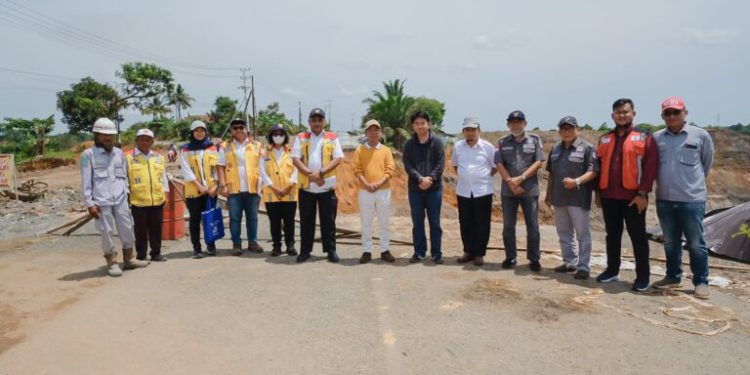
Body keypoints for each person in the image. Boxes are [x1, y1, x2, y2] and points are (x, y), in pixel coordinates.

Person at [651, 97, 714, 299]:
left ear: (685, 113)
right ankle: (672, 276)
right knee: (670, 242)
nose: (671, 116)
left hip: (691, 200)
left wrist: (690, 185)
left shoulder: (700, 135)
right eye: (667, 113)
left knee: (696, 242)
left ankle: (701, 281)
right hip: (664, 199)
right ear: (662, 116)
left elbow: (706, 163)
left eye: (675, 112)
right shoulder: (657, 138)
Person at [594, 98, 658, 291]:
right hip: (609, 197)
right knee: (612, 236)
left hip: (633, 198)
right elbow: (598, 166)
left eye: (625, 112)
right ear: (612, 115)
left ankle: (643, 277)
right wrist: (598, 192)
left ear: (633, 114)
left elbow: (651, 167)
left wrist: (642, 193)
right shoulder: (605, 138)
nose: (622, 115)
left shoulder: (644, 137)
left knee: (637, 237)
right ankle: (612, 270)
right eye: (618, 112)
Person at [81, 118, 148, 277]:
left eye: (110, 135)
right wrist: (89, 203)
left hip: (120, 199)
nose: (108, 138)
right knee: (106, 232)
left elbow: (124, 176)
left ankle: (129, 259)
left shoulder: (119, 153)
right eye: (104, 135)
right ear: (97, 135)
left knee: (127, 228)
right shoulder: (88, 155)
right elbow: (86, 182)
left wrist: (126, 192)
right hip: (101, 201)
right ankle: (112, 262)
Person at [544, 116, 599, 280]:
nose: (567, 132)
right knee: (564, 232)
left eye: (570, 128)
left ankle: (583, 266)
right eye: (563, 129)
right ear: (559, 131)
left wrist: (576, 181)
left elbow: (593, 172)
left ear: (578, 130)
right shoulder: (555, 149)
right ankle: (570, 262)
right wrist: (548, 195)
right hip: (559, 198)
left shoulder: (588, 148)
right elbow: (552, 175)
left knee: (582, 234)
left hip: (578, 199)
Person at [291, 108, 344, 263]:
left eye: (320, 120)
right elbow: (295, 159)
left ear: (324, 122)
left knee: (329, 220)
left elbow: (338, 158)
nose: (317, 123)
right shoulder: (301, 137)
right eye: (313, 120)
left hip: (326, 187)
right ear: (309, 122)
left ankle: (331, 250)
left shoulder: (332, 137)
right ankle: (305, 251)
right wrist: (311, 175)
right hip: (307, 187)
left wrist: (320, 173)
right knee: (306, 221)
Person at [495, 110, 545, 271]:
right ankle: (510, 257)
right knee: (508, 226)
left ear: (525, 123)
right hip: (508, 191)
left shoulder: (535, 140)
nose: (516, 124)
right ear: (508, 124)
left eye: (519, 121)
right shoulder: (502, 142)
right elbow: (499, 164)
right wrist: (511, 182)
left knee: (532, 225)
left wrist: (521, 178)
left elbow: (538, 162)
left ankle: (534, 259)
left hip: (529, 190)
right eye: (512, 121)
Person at [452, 117, 496, 266]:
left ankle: (479, 253)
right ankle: (468, 251)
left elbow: (495, 166)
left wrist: (481, 177)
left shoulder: (488, 147)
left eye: (473, 130)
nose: (470, 133)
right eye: (467, 130)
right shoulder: (458, 146)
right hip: (463, 191)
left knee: (482, 223)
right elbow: (455, 166)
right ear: (463, 131)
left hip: (483, 191)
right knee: (465, 222)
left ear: (479, 130)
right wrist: (467, 177)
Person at [217, 118, 265, 256]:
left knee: (253, 217)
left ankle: (253, 242)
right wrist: (222, 185)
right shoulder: (225, 146)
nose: (238, 130)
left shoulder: (257, 145)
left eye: (241, 127)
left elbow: (262, 167)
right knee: (235, 217)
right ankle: (236, 243)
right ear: (231, 131)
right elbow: (220, 166)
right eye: (235, 128)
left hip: (252, 187)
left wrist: (261, 186)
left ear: (246, 129)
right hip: (234, 189)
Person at [403, 111, 445, 264]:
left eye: (423, 123)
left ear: (429, 124)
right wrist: (420, 178)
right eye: (417, 124)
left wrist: (431, 179)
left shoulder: (438, 142)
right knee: (418, 222)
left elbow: (440, 164)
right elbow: (407, 165)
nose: (420, 126)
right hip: (415, 190)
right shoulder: (408, 144)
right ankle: (419, 252)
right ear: (413, 126)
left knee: (435, 222)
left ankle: (436, 253)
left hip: (434, 190)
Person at [353, 119, 396, 264]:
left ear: (380, 132)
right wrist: (367, 184)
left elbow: (390, 169)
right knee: (366, 222)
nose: (373, 132)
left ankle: (385, 250)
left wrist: (378, 183)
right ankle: (367, 251)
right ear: (366, 133)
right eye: (370, 130)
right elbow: (357, 169)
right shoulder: (360, 149)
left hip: (383, 190)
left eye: (375, 129)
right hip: (365, 191)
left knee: (384, 221)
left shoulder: (386, 150)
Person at [126, 128, 169, 262]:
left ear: (153, 141)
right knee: (140, 230)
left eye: (148, 139)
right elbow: (125, 179)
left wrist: (165, 194)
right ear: (136, 141)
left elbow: (164, 177)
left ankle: (156, 253)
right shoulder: (128, 158)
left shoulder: (158, 158)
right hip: (138, 200)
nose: (145, 142)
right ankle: (141, 255)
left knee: (156, 227)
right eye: (142, 139)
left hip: (157, 199)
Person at [181, 120, 219, 258]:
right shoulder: (185, 149)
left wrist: (215, 186)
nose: (199, 133)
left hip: (210, 191)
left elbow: (217, 168)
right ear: (192, 132)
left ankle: (211, 246)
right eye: (196, 130)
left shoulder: (212, 148)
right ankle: (197, 248)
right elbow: (186, 170)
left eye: (202, 130)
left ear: (206, 132)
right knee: (195, 220)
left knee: (210, 219)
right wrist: (199, 186)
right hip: (194, 191)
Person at [260, 124, 299, 257]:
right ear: (271, 136)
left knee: (289, 221)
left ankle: (290, 246)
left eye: (281, 134)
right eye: (275, 134)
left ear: (285, 136)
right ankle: (276, 246)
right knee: (274, 222)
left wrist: (290, 185)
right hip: (271, 193)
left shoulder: (292, 151)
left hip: (290, 192)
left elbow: (297, 170)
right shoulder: (264, 152)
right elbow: (262, 172)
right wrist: (274, 187)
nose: (278, 137)